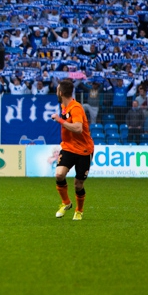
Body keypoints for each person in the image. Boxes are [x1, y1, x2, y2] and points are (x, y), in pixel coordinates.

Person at [50, 79, 94, 221]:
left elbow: (78, 128)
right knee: (59, 174)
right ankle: (66, 203)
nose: (56, 92)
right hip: (68, 147)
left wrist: (60, 120)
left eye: (57, 90)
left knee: (78, 184)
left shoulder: (75, 108)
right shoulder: (64, 106)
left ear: (61, 93)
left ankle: (79, 210)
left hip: (84, 150)